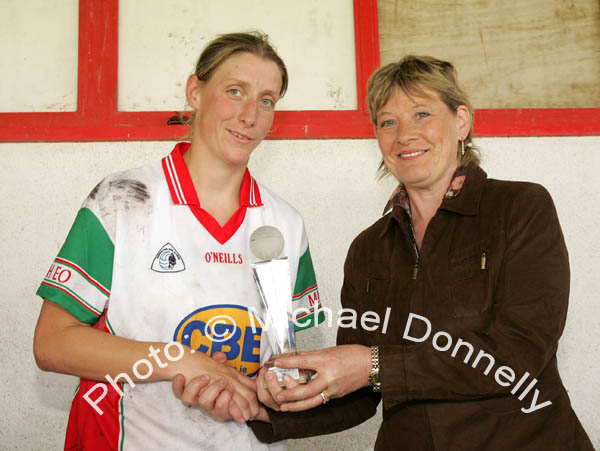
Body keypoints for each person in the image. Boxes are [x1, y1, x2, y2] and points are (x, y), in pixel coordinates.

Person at [246, 55, 594, 450]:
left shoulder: (520, 207)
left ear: (461, 121)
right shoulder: (368, 250)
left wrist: (374, 365)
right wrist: (268, 406)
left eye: (422, 114)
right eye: (388, 121)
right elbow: (361, 395)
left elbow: (517, 356)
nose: (404, 134)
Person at [33, 31, 323, 451]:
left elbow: (283, 362)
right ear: (195, 92)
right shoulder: (124, 199)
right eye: (234, 91)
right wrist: (182, 360)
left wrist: (261, 390)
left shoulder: (285, 224)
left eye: (266, 100)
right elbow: (52, 342)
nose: (250, 115)